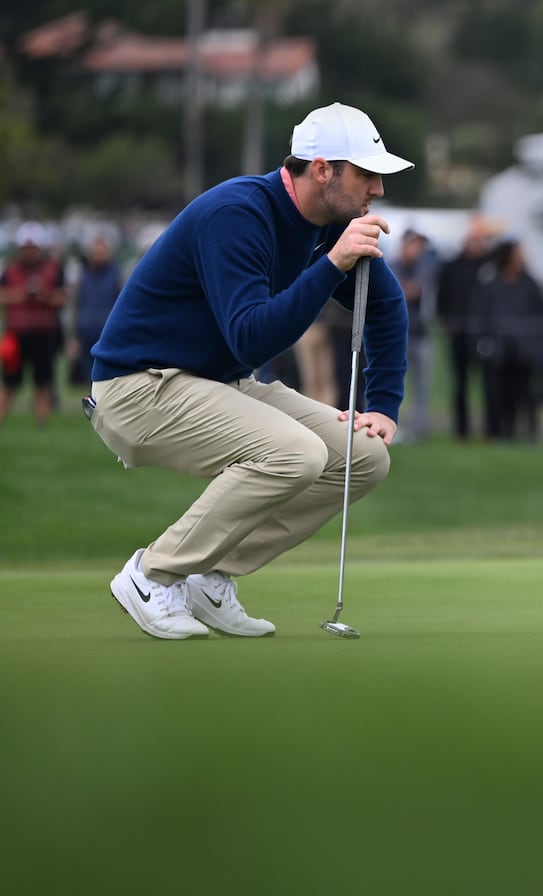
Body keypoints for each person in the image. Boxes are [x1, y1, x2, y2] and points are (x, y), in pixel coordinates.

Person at [87, 101, 412, 640]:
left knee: (365, 458)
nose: (377, 189)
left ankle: (209, 579)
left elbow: (385, 306)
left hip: (214, 383)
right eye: (366, 174)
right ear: (322, 169)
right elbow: (252, 335)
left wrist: (384, 404)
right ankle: (152, 575)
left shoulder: (327, 224)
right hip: (138, 388)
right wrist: (331, 268)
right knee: (295, 452)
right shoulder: (238, 214)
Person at [474, 240, 543, 444]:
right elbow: (482, 316)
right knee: (497, 394)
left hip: (524, 349)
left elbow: (542, 314)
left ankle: (530, 433)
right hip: (498, 349)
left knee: (526, 394)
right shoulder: (492, 285)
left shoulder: (529, 285)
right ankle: (497, 433)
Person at [0, 222, 68, 427]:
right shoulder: (10, 270)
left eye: (33, 247)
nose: (29, 252)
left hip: (43, 332)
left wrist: (43, 296)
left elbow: (63, 297)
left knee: (43, 382)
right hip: (16, 333)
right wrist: (22, 295)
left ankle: (42, 424)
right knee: (9, 382)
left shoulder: (52, 269)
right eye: (26, 248)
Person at [437, 217, 494, 439]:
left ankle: (490, 430)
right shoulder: (452, 266)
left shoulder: (490, 267)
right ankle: (461, 431)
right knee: (460, 384)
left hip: (484, 334)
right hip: (458, 333)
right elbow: (442, 297)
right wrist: (446, 323)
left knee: (488, 384)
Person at [392, 229, 437, 440]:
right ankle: (391, 427)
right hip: (397, 334)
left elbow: (418, 289)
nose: (418, 249)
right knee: (392, 383)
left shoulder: (425, 267)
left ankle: (418, 431)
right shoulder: (392, 265)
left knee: (422, 387)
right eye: (415, 244)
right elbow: (403, 290)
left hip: (421, 333)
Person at [69, 234, 123, 388]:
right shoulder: (82, 275)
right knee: (89, 380)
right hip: (86, 335)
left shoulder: (117, 274)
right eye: (94, 253)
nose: (97, 257)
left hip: (108, 337)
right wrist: (73, 337)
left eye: (101, 252)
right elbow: (75, 307)